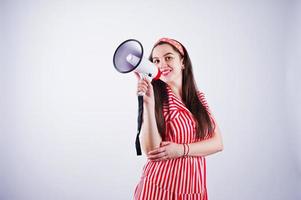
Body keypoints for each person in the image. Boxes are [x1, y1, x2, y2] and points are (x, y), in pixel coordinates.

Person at [133, 37, 223, 200]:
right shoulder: (155, 97)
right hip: (158, 190)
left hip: (193, 190)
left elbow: (217, 143)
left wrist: (181, 150)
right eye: (156, 60)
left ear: (182, 62)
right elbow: (151, 151)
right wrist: (147, 102)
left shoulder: (199, 99)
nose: (161, 65)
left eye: (168, 58)